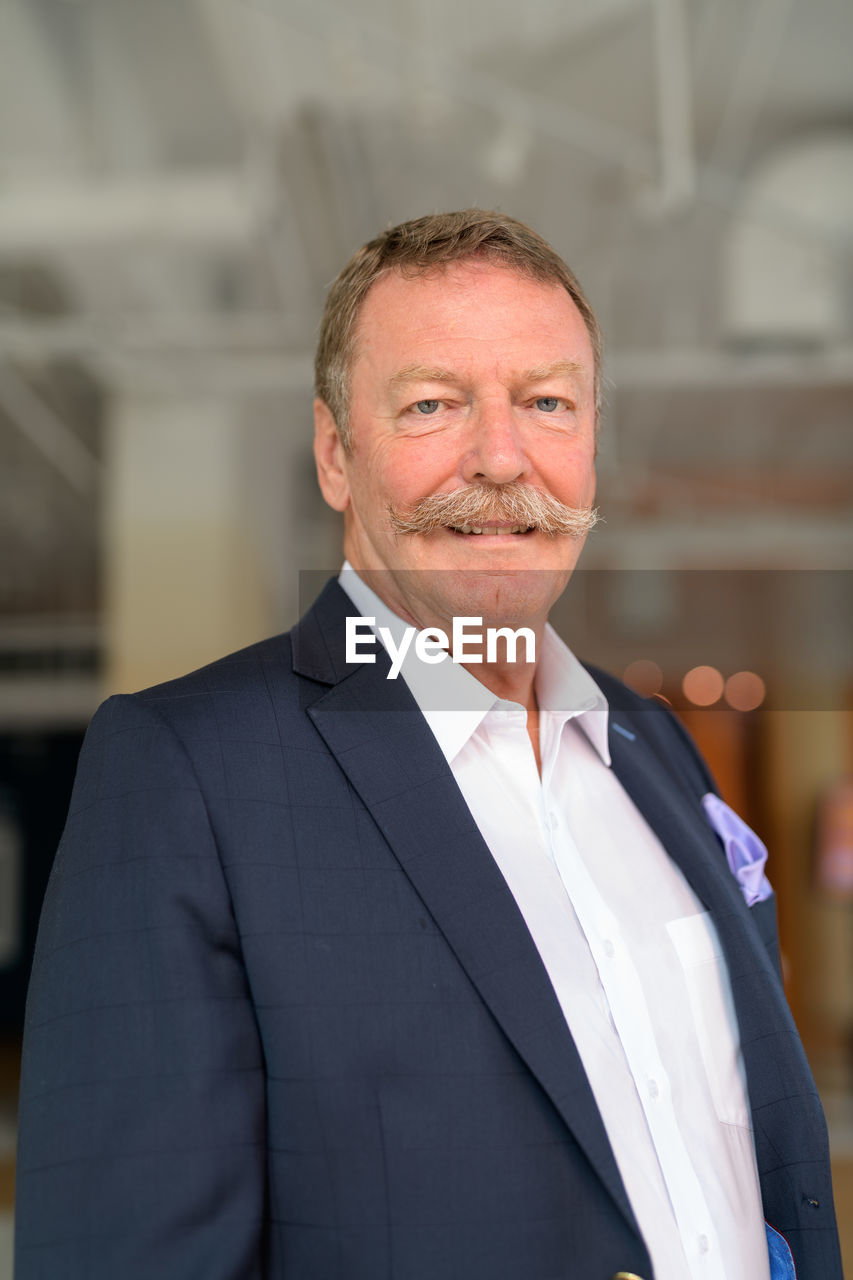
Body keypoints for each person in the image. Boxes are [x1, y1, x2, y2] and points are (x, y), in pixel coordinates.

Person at [15, 210, 842, 1280]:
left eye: (546, 402)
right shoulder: (187, 770)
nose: (500, 457)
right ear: (334, 454)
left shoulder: (655, 750)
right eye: (432, 404)